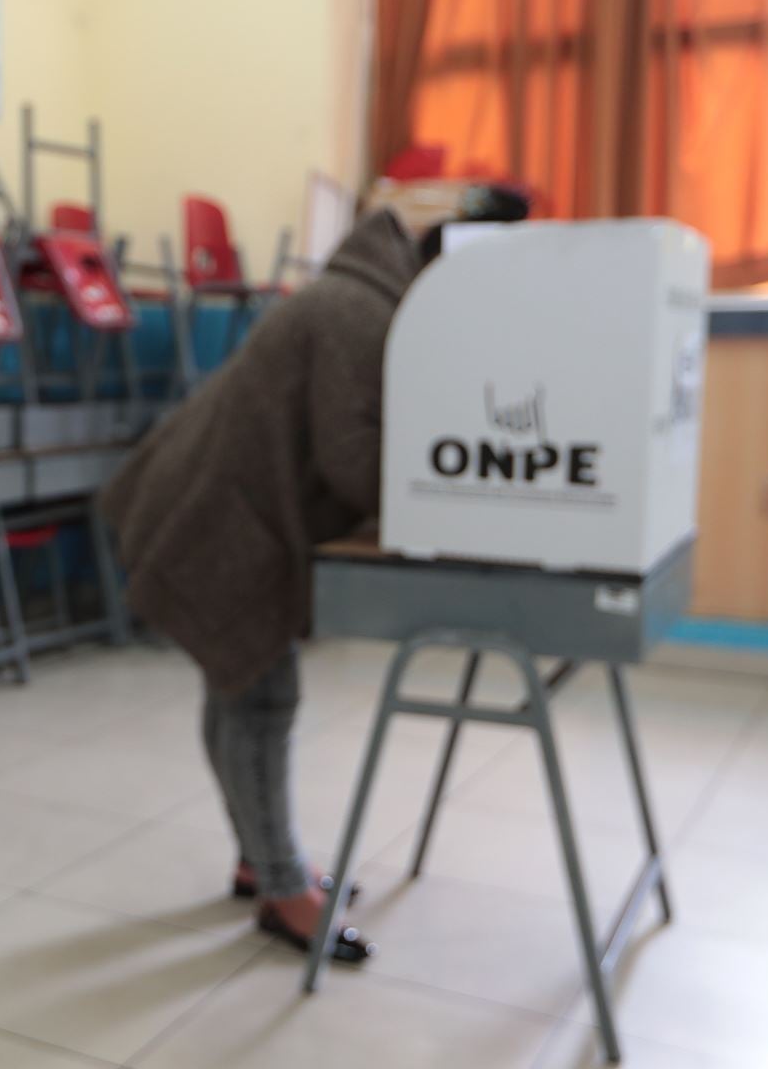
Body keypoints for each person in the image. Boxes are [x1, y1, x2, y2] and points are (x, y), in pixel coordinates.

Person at [101, 189, 527, 960]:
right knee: (261, 696)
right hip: (219, 521)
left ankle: (261, 859)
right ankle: (282, 890)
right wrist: (452, 485)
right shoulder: (363, 315)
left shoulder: (365, 295)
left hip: (215, 506)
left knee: (237, 690)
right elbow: (353, 460)